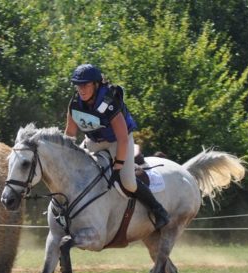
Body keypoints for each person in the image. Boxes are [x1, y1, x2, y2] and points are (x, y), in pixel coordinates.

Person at [65, 63, 170, 229]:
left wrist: (117, 167)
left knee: (128, 182)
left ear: (96, 84)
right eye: (78, 85)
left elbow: (122, 139)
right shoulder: (75, 103)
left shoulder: (109, 102)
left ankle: (158, 210)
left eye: (85, 84)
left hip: (118, 142)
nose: (81, 89)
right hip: (93, 142)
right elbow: (70, 134)